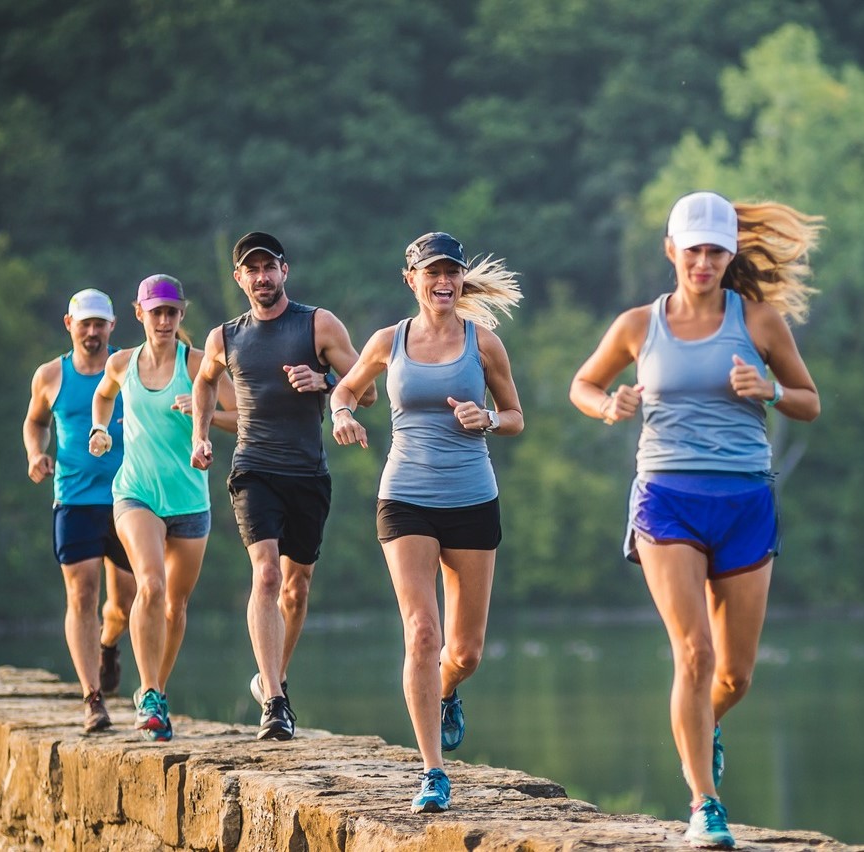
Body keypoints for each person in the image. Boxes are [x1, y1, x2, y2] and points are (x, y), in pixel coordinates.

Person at [569, 191, 823, 849]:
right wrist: (607, 406)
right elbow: (583, 384)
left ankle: (699, 729)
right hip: (667, 499)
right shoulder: (637, 326)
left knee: (734, 674)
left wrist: (768, 389)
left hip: (745, 502)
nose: (704, 262)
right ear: (671, 252)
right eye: (693, 250)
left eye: (715, 251)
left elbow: (809, 402)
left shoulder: (759, 323)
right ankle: (704, 805)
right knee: (693, 651)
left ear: (729, 254)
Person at [330, 232, 524, 812]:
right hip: (405, 496)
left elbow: (515, 416)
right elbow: (346, 387)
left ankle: (446, 691)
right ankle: (433, 772)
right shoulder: (388, 342)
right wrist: (341, 412)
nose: (443, 282)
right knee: (422, 632)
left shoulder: (483, 344)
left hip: (471, 499)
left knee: (464, 652)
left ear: (461, 280)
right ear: (410, 279)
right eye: (432, 273)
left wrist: (485, 418)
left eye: (452, 273)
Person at [190, 231, 371, 741]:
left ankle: (275, 678)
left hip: (308, 471)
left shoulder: (317, 324)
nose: (262, 276)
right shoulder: (225, 336)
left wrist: (328, 385)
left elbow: (371, 389)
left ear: (284, 272)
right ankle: (273, 701)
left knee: (297, 587)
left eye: (270, 267)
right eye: (253, 269)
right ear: (239, 278)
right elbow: (203, 381)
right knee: (266, 575)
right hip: (254, 468)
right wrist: (199, 435)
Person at [89, 274, 235, 742]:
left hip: (190, 500)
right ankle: (148, 692)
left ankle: (159, 693)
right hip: (136, 494)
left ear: (182, 314)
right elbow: (103, 395)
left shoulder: (197, 365)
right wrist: (100, 428)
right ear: (140, 313)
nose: (165, 321)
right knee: (149, 585)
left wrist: (202, 413)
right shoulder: (120, 364)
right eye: (157, 313)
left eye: (173, 313)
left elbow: (243, 413)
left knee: (175, 605)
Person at [23, 288, 140, 733]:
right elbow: (35, 421)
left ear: (112, 326)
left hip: (130, 496)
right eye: (84, 323)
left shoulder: (128, 366)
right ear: (69, 325)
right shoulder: (51, 375)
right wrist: (36, 453)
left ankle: (109, 642)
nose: (92, 332)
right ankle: (92, 698)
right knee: (81, 593)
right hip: (73, 498)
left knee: (127, 599)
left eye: (100, 324)